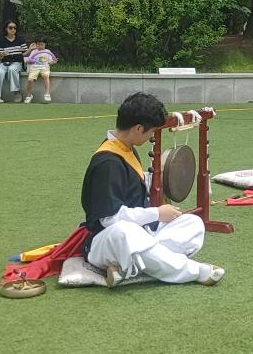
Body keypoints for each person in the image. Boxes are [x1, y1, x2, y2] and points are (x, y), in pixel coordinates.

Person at [81, 92, 225, 288]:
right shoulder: (108, 162)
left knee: (193, 223)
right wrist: (156, 213)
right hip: (106, 240)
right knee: (127, 232)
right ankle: (195, 271)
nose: (151, 136)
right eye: (151, 132)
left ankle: (131, 267)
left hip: (141, 234)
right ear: (138, 128)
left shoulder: (126, 148)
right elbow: (109, 219)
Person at [0, 20, 27, 102]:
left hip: (17, 63)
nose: (13, 30)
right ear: (6, 29)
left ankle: (16, 92)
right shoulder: (1, 41)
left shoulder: (20, 40)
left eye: (15, 28)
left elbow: (25, 54)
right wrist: (2, 54)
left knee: (12, 69)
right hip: (4, 63)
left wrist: (31, 49)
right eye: (10, 28)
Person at [23, 36, 57, 103]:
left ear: (45, 44)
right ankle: (29, 95)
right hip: (34, 68)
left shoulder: (47, 51)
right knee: (30, 80)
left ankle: (47, 94)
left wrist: (53, 62)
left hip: (44, 67)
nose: (40, 46)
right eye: (38, 44)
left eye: (42, 44)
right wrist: (30, 61)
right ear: (36, 44)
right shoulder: (33, 51)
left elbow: (50, 62)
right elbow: (28, 60)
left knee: (46, 76)